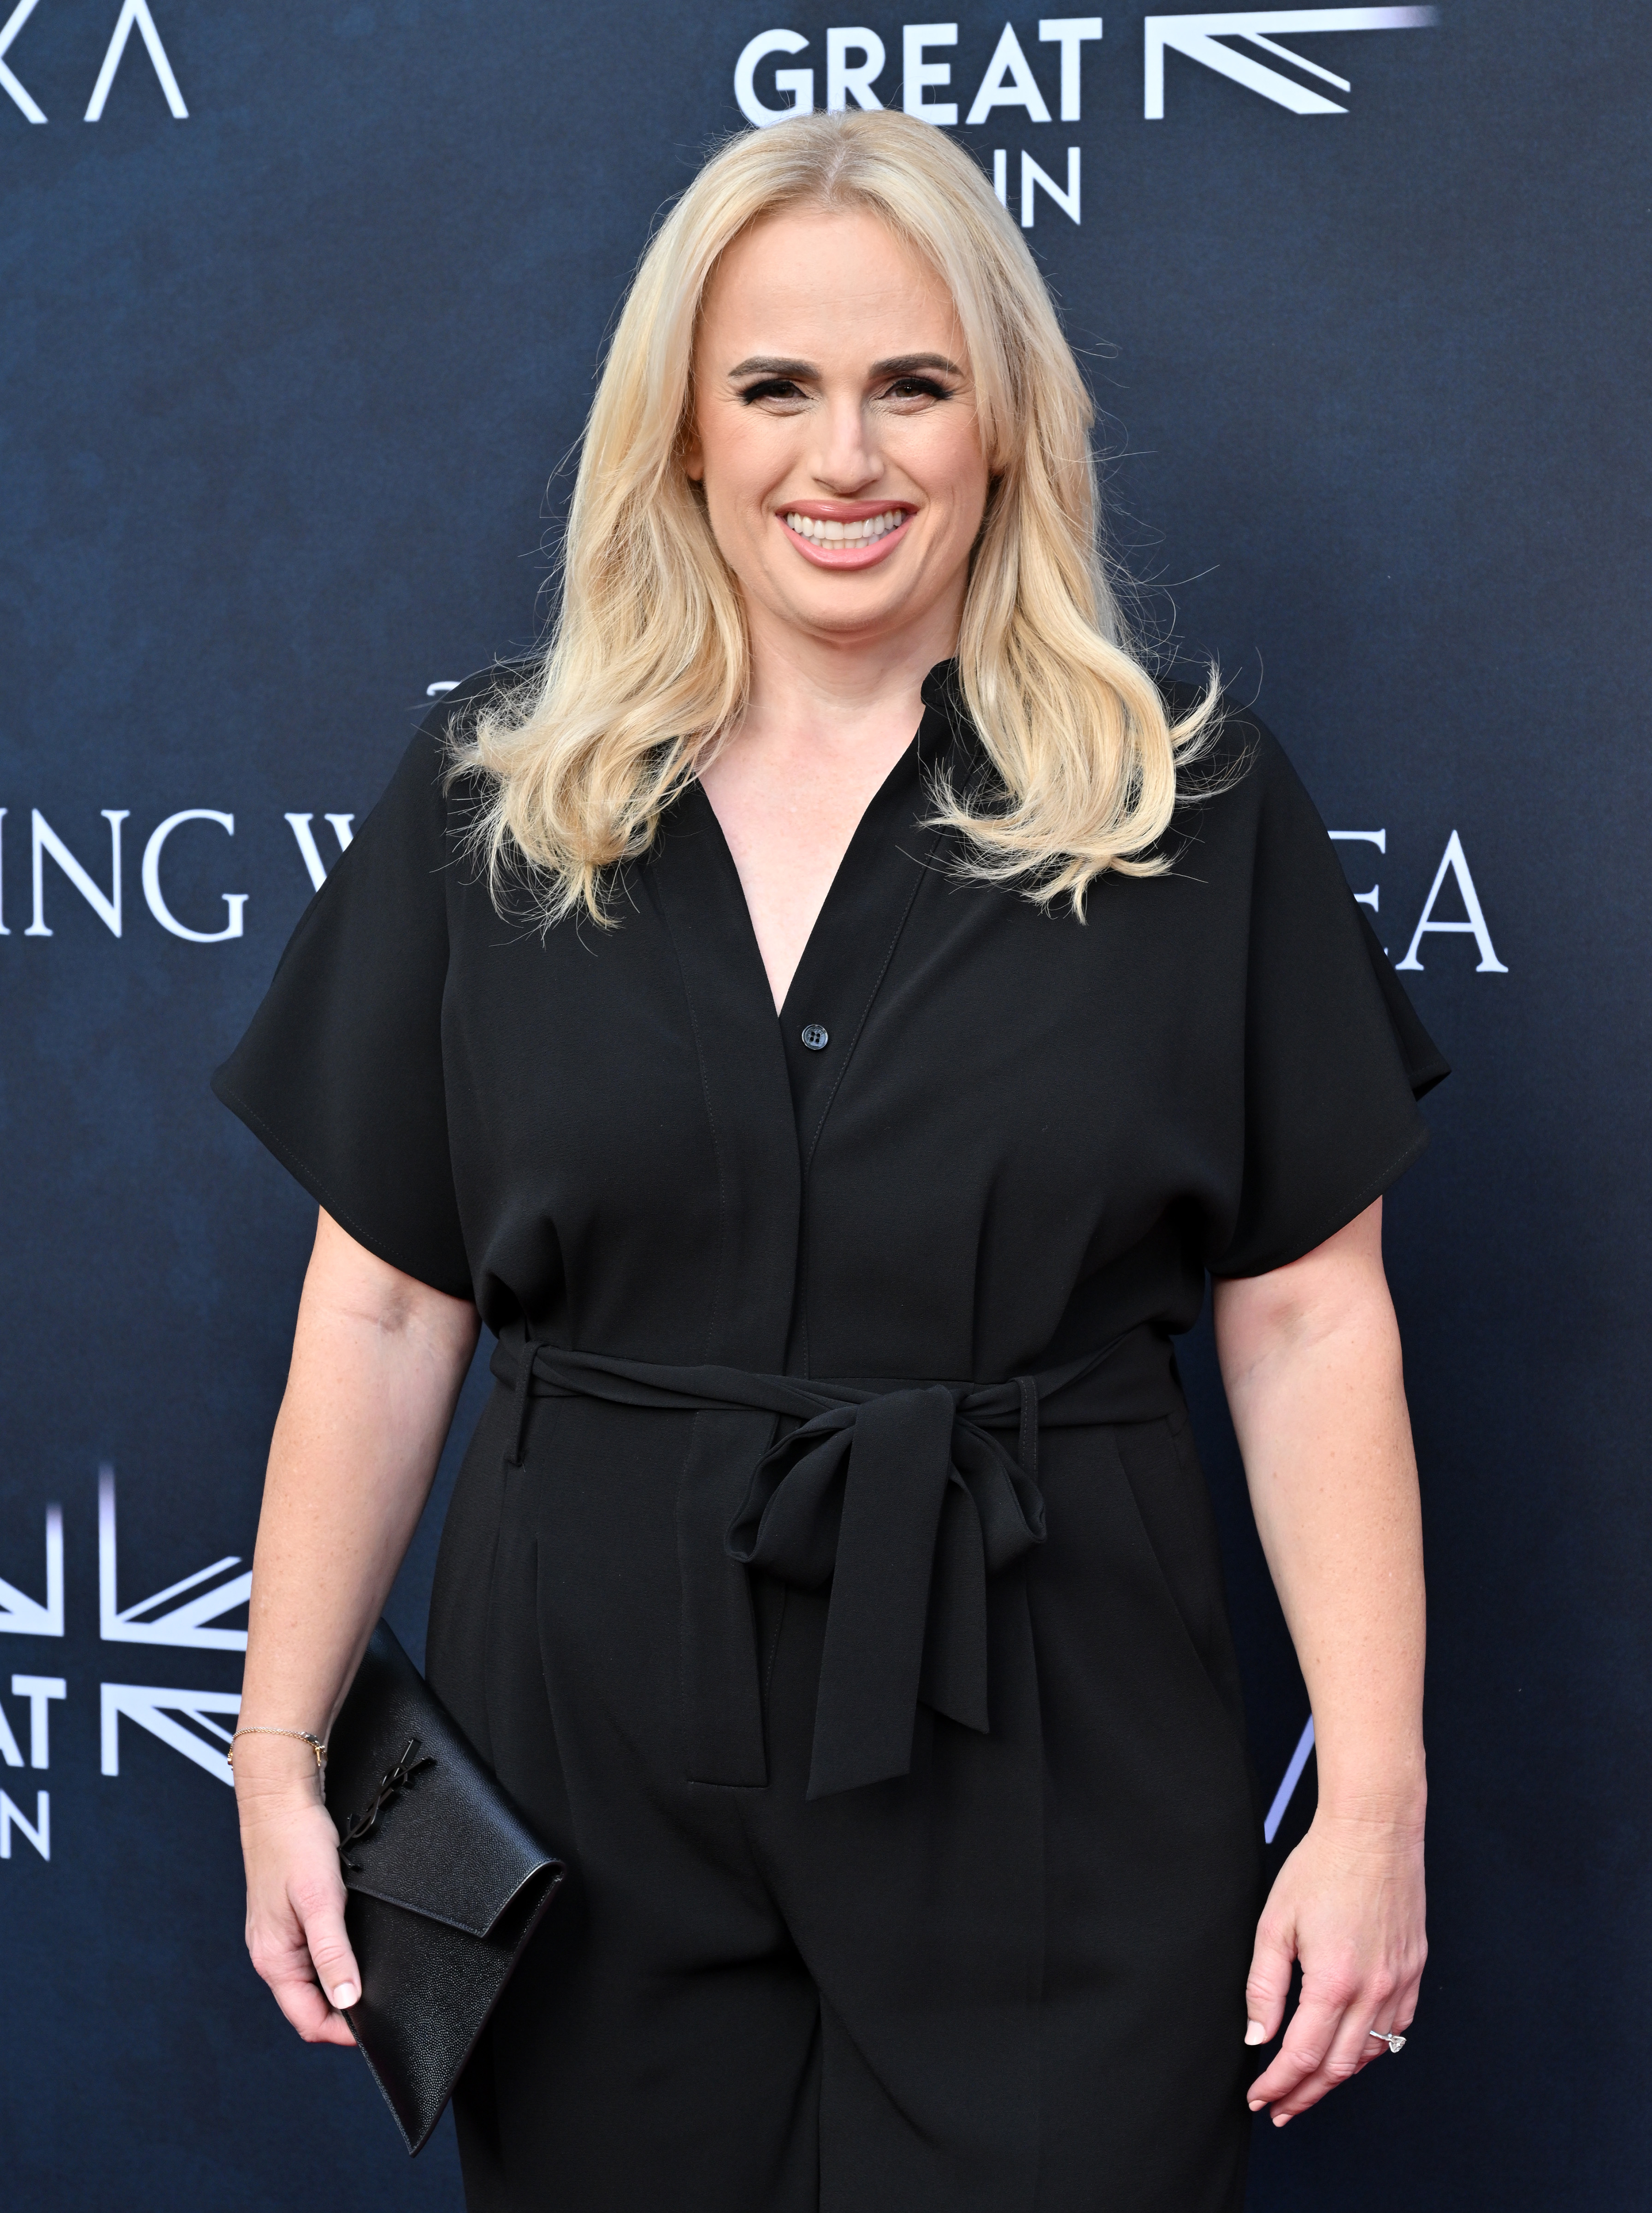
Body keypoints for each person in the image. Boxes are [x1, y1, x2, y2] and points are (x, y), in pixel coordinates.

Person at [216, 107, 1443, 2213]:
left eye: (911, 386)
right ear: (681, 433)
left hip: (1049, 1724)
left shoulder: (1186, 804)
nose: (843, 457)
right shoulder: (493, 802)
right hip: (578, 1751)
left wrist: (1374, 1801)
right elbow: (383, 1300)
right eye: (773, 387)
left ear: (1001, 427)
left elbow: (1310, 1323)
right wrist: (277, 1749)